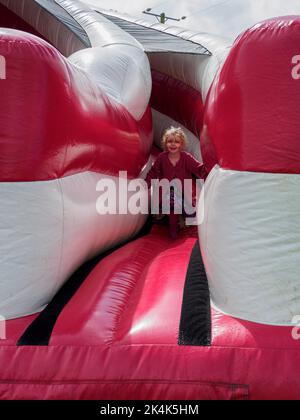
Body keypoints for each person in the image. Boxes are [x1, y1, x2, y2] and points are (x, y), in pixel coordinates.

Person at [146, 127, 207, 239]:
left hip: (184, 193)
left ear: (181, 144)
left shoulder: (186, 158)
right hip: (167, 193)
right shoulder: (161, 158)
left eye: (177, 142)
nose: (173, 144)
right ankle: (173, 228)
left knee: (191, 215)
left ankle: (181, 217)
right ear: (165, 143)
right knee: (172, 203)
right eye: (170, 141)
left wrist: (208, 175)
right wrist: (147, 183)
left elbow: (199, 168)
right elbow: (153, 172)